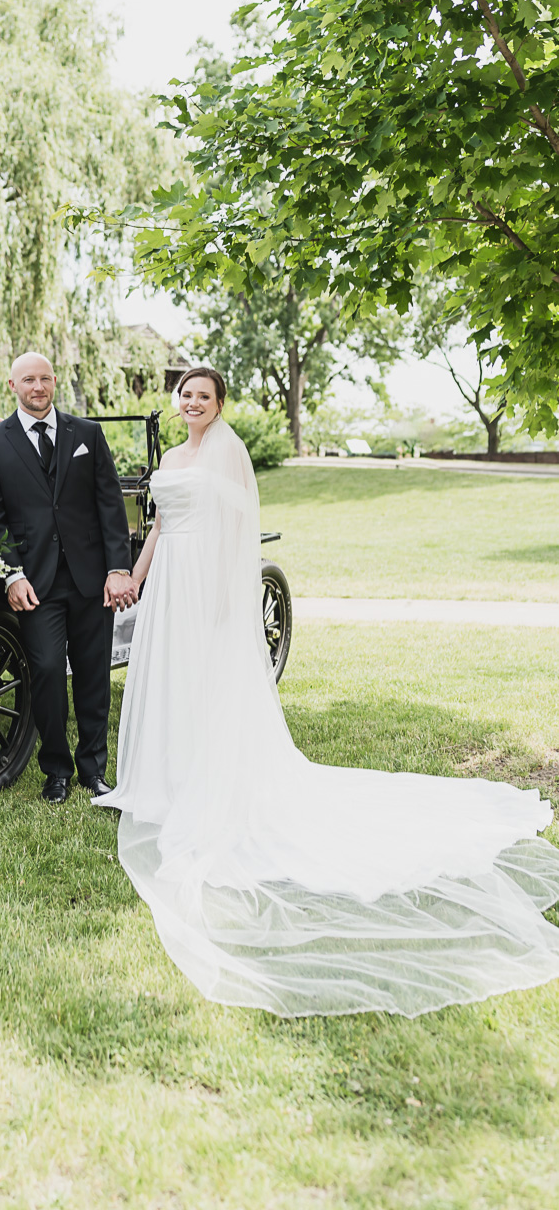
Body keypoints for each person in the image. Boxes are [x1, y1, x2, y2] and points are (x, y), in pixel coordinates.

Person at [94, 366, 559, 1016]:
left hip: (207, 583)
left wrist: (229, 602)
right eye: (186, 396)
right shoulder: (171, 455)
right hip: (170, 576)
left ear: (219, 403)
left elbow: (234, 534)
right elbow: (162, 527)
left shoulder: (229, 453)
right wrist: (138, 577)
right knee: (169, 678)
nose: (193, 403)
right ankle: (160, 778)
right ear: (179, 404)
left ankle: (202, 780)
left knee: (205, 684)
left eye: (203, 396)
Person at [0, 352, 136, 804]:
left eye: (45, 378)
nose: (38, 387)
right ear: (12, 386)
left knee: (93, 675)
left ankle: (94, 770)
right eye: (29, 379)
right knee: (46, 671)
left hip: (91, 580)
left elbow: (110, 504)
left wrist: (118, 569)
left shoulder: (86, 434)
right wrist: (11, 575)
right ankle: (56, 771)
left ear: (55, 381)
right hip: (35, 583)